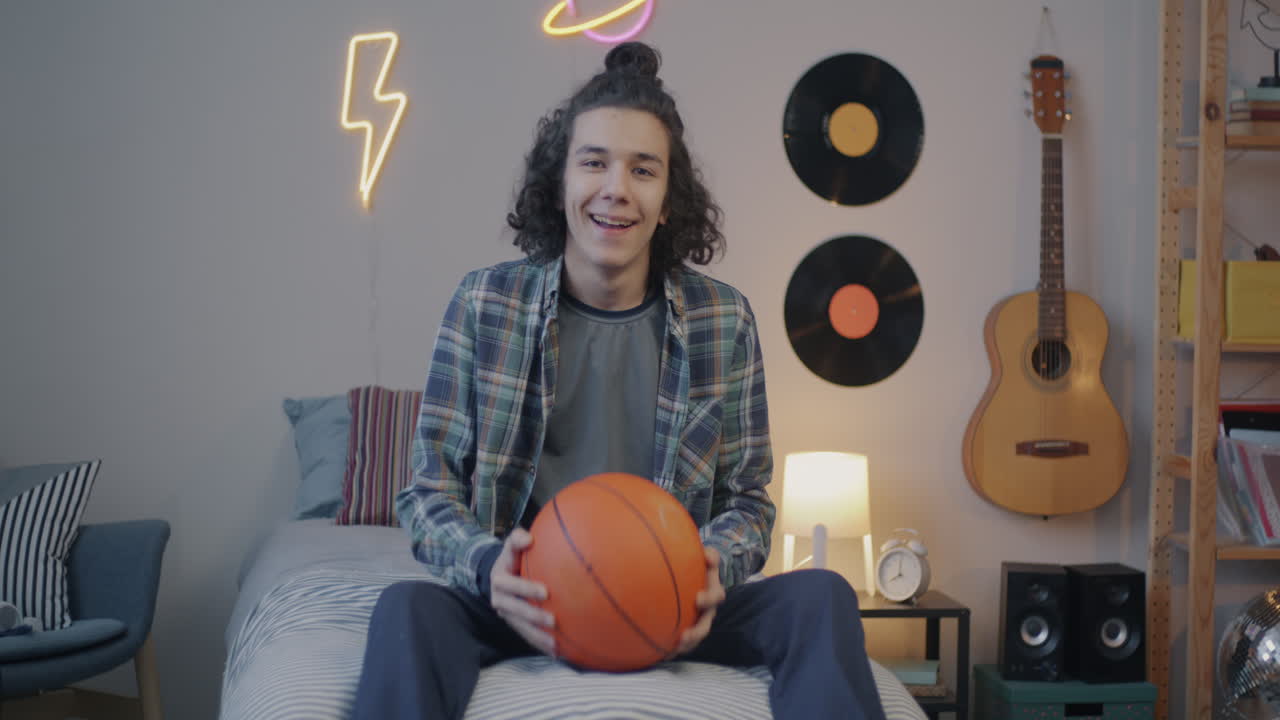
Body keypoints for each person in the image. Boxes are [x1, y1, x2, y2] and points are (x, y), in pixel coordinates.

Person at [351, 42, 887, 720]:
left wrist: (705, 573)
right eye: (594, 162)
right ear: (560, 186)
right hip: (529, 605)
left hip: (669, 604)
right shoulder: (483, 305)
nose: (616, 189)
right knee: (408, 606)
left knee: (823, 596)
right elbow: (429, 491)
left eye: (644, 170)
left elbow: (748, 500)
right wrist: (489, 566)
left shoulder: (725, 320)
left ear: (668, 203)